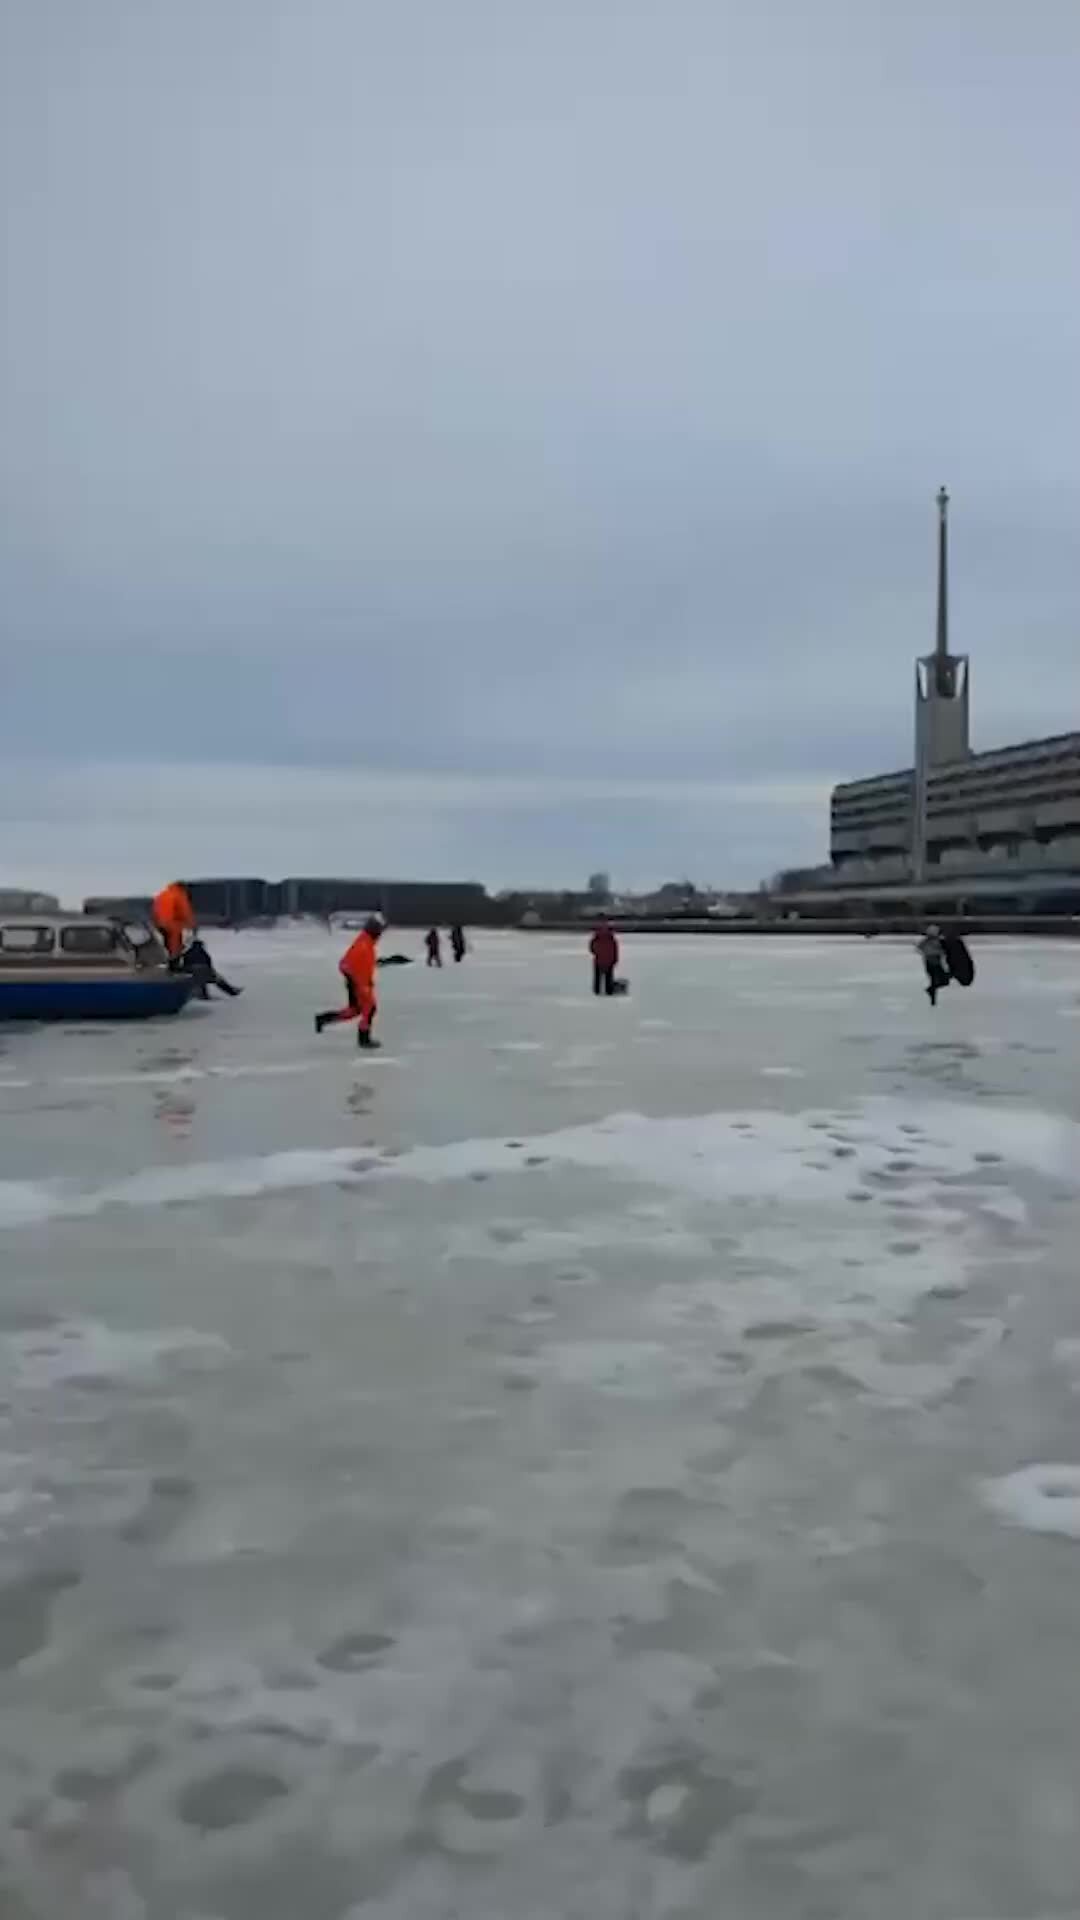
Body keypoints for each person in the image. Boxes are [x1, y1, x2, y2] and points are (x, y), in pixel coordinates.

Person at [314, 915, 383, 1047]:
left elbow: (356, 964)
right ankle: (364, 1039)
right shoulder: (364, 945)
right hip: (358, 984)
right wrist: (361, 986)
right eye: (379, 931)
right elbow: (349, 965)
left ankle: (323, 1019)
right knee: (369, 1008)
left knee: (355, 1010)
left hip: (358, 983)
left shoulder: (366, 942)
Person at [176, 936, 243, 1000]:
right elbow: (209, 963)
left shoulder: (187, 952)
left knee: (200, 979)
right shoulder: (204, 953)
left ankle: (203, 995)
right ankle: (231, 991)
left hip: (193, 972)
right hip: (205, 971)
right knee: (217, 979)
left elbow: (184, 964)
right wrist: (213, 973)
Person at [151, 880, 197, 962]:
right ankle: (175, 962)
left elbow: (155, 910)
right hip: (173, 924)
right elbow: (185, 911)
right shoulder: (179, 895)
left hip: (160, 924)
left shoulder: (162, 894)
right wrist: (192, 924)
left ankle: (167, 960)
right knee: (175, 945)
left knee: (166, 944)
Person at [919, 923, 950, 1008]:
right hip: (933, 963)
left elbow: (920, 948)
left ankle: (932, 997)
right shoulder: (934, 941)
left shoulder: (930, 941)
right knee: (938, 981)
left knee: (938, 981)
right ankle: (933, 1000)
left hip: (932, 963)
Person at [589, 917, 619, 997]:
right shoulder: (611, 938)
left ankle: (597, 991)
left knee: (597, 977)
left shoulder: (596, 937)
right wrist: (615, 960)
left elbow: (591, 948)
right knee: (608, 977)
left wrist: (596, 952)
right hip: (609, 960)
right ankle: (609, 991)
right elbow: (615, 950)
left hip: (598, 960)